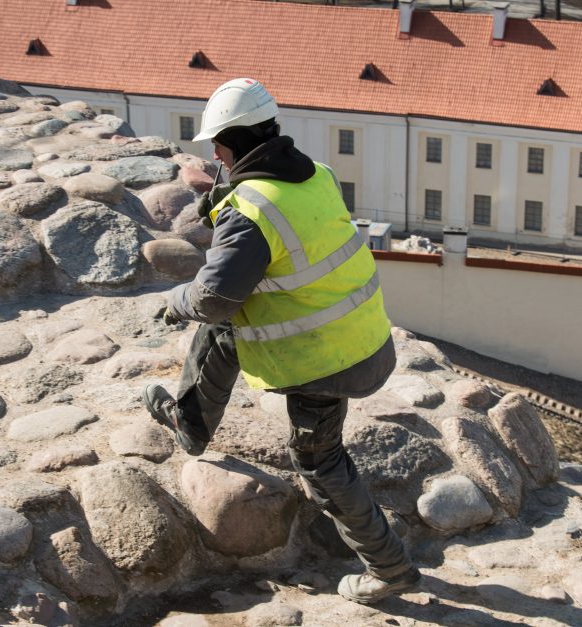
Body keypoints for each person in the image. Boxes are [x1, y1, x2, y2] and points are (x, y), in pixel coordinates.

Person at [142, 78, 419, 604]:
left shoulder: (250, 211)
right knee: (225, 334)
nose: (215, 154)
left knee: (319, 461)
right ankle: (190, 424)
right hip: (363, 337)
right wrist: (225, 199)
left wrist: (174, 300)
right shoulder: (317, 174)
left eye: (217, 145)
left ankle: (390, 570)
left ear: (230, 143)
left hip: (324, 358)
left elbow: (214, 297)